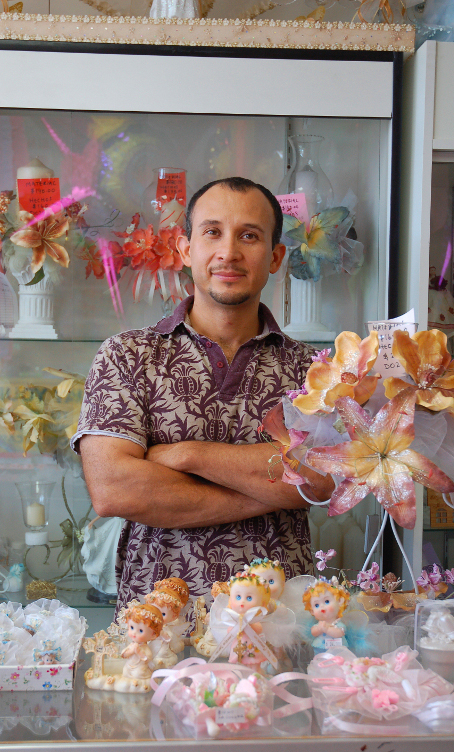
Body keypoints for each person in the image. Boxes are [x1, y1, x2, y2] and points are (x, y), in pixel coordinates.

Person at [73, 177, 333, 611]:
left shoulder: (313, 370)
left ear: (275, 257)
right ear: (185, 249)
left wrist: (186, 455)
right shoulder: (128, 355)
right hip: (156, 624)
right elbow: (114, 490)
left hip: (279, 621)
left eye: (249, 236)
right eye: (212, 232)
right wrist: (271, 490)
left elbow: (322, 481)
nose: (228, 252)